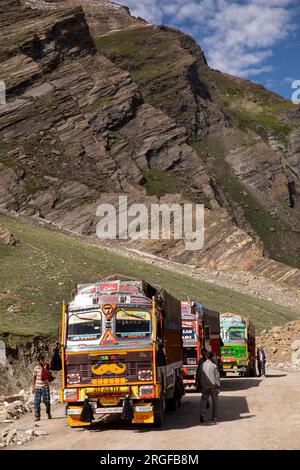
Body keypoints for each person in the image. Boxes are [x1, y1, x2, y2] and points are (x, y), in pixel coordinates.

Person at [197, 351, 220, 423]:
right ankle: (215, 416)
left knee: (204, 400)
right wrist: (218, 387)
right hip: (213, 386)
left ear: (206, 357)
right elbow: (217, 377)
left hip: (205, 385)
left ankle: (202, 414)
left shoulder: (202, 365)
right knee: (215, 401)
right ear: (212, 357)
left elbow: (199, 375)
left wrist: (199, 384)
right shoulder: (214, 366)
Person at [32, 353, 52, 421]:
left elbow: (50, 376)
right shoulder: (36, 368)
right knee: (36, 402)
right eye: (40, 360)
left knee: (47, 402)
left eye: (42, 360)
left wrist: (45, 368)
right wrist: (33, 387)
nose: (41, 361)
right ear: (38, 361)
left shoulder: (47, 366)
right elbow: (34, 378)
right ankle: (37, 416)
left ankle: (48, 412)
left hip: (45, 387)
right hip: (37, 387)